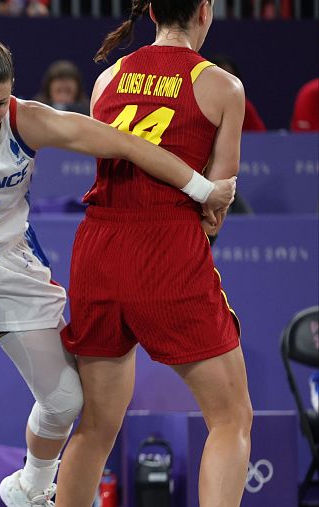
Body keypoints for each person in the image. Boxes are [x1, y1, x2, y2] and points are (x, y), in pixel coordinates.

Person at [0, 25, 235, 507]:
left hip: (12, 262)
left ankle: (29, 488)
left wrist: (202, 189)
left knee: (66, 402)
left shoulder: (27, 120)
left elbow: (127, 144)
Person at [55, 2, 252, 506]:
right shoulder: (221, 86)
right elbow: (219, 197)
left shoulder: (109, 76)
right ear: (204, 11)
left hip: (98, 247)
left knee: (96, 426)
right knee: (230, 419)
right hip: (166, 247)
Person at [209, 54, 266, 131]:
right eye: (221, 77)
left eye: (230, 77)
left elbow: (260, 136)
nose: (226, 82)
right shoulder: (198, 104)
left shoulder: (243, 106)